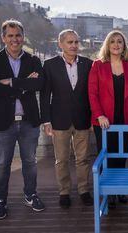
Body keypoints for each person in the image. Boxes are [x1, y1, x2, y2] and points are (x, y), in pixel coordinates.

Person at [0, 19, 45, 220]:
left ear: (23, 36)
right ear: (3, 38)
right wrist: (24, 85)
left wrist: (11, 83)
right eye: (10, 35)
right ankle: (0, 200)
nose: (14, 39)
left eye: (18, 35)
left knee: (30, 162)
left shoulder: (34, 60)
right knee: (2, 164)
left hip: (29, 121)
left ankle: (30, 195)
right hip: (3, 122)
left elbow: (39, 85)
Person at [40, 29, 93, 209]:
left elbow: (92, 94)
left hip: (83, 119)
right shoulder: (49, 65)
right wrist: (46, 121)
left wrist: (93, 117)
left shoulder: (88, 64)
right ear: (60, 44)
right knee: (61, 159)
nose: (74, 45)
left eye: (76, 42)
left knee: (83, 159)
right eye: (70, 42)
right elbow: (45, 95)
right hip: (59, 120)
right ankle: (64, 192)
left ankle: (84, 190)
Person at [88, 30, 128, 209]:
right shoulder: (98, 65)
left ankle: (119, 190)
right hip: (104, 122)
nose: (116, 45)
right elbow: (92, 93)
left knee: (121, 156)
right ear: (107, 45)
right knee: (106, 157)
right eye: (113, 42)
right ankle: (107, 191)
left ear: (124, 45)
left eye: (120, 41)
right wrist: (99, 115)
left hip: (125, 120)